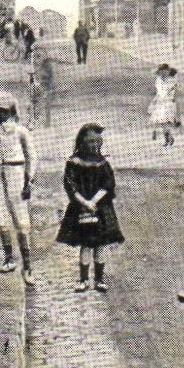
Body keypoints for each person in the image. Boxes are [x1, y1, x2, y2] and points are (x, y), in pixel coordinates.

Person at [56, 123, 122, 293]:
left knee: (100, 245)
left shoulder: (103, 163)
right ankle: (83, 279)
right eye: (90, 142)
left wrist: (94, 201)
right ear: (82, 143)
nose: (94, 146)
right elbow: (70, 186)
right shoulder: (73, 163)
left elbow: (108, 184)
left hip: (101, 208)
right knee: (85, 245)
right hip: (80, 208)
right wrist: (84, 203)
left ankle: (99, 279)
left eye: (97, 142)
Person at [0, 90, 35, 285]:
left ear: (12, 111)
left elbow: (31, 156)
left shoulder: (20, 131)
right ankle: (9, 258)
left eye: (5, 111)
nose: (1, 115)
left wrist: (29, 180)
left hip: (16, 174)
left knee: (22, 222)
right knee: (2, 220)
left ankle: (28, 266)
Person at [147, 63, 181, 146]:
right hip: (161, 101)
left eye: (163, 72)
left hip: (168, 102)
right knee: (162, 122)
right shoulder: (159, 80)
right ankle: (169, 138)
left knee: (165, 121)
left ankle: (168, 139)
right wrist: (154, 101)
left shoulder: (172, 80)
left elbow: (170, 92)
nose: (162, 73)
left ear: (167, 71)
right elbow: (159, 93)